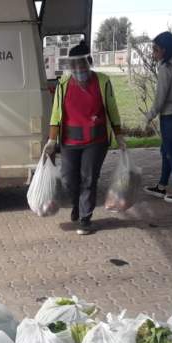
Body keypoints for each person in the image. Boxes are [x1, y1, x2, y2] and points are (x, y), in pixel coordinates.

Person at [45, 40, 125, 235]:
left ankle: (85, 219)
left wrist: (119, 135)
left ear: (89, 62)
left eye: (81, 63)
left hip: (96, 141)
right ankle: (77, 205)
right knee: (69, 179)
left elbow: (112, 109)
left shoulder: (103, 81)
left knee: (89, 179)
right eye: (73, 65)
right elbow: (56, 113)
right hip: (70, 141)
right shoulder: (63, 84)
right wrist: (51, 140)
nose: (77, 68)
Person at [142, 31, 172, 204]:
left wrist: (150, 115)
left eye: (155, 49)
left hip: (170, 115)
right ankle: (161, 186)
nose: (153, 53)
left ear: (164, 50)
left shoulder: (166, 68)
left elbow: (160, 97)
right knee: (166, 150)